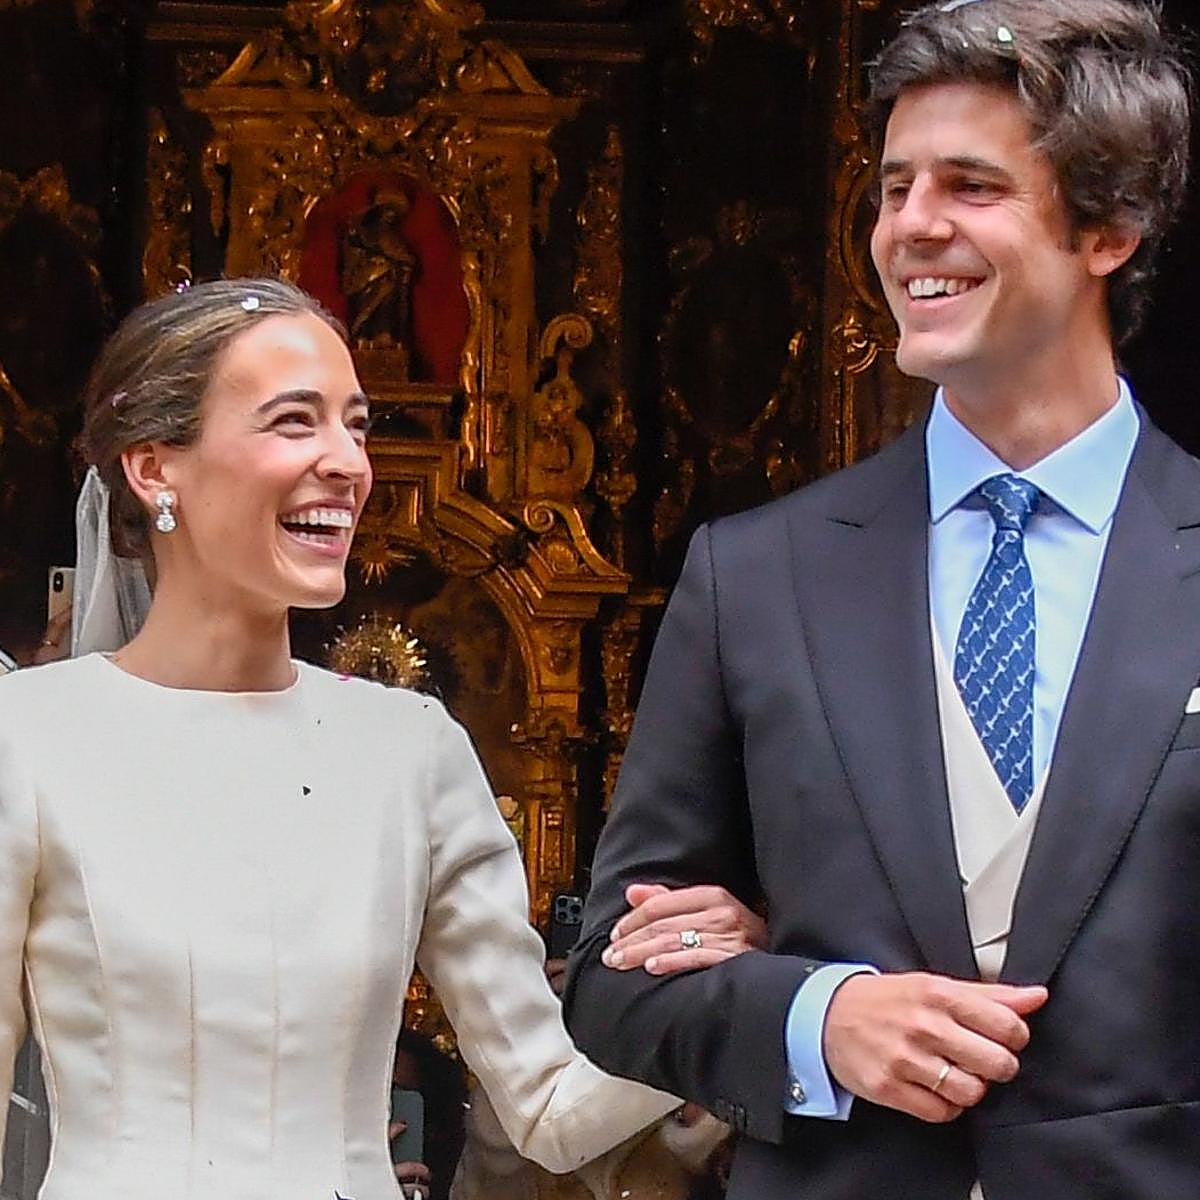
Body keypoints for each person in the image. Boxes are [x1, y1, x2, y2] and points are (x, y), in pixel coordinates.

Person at [563, 3, 1200, 1198]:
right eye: (894, 188)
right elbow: (612, 977)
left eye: (971, 186)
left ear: (1109, 228)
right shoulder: (756, 574)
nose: (911, 226)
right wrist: (818, 1014)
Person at [0, 277, 764, 1200]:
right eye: (295, 421)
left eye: (355, 426)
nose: (348, 463)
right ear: (155, 468)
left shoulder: (412, 751)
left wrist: (725, 988)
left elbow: (550, 1107)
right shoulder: (28, 739)